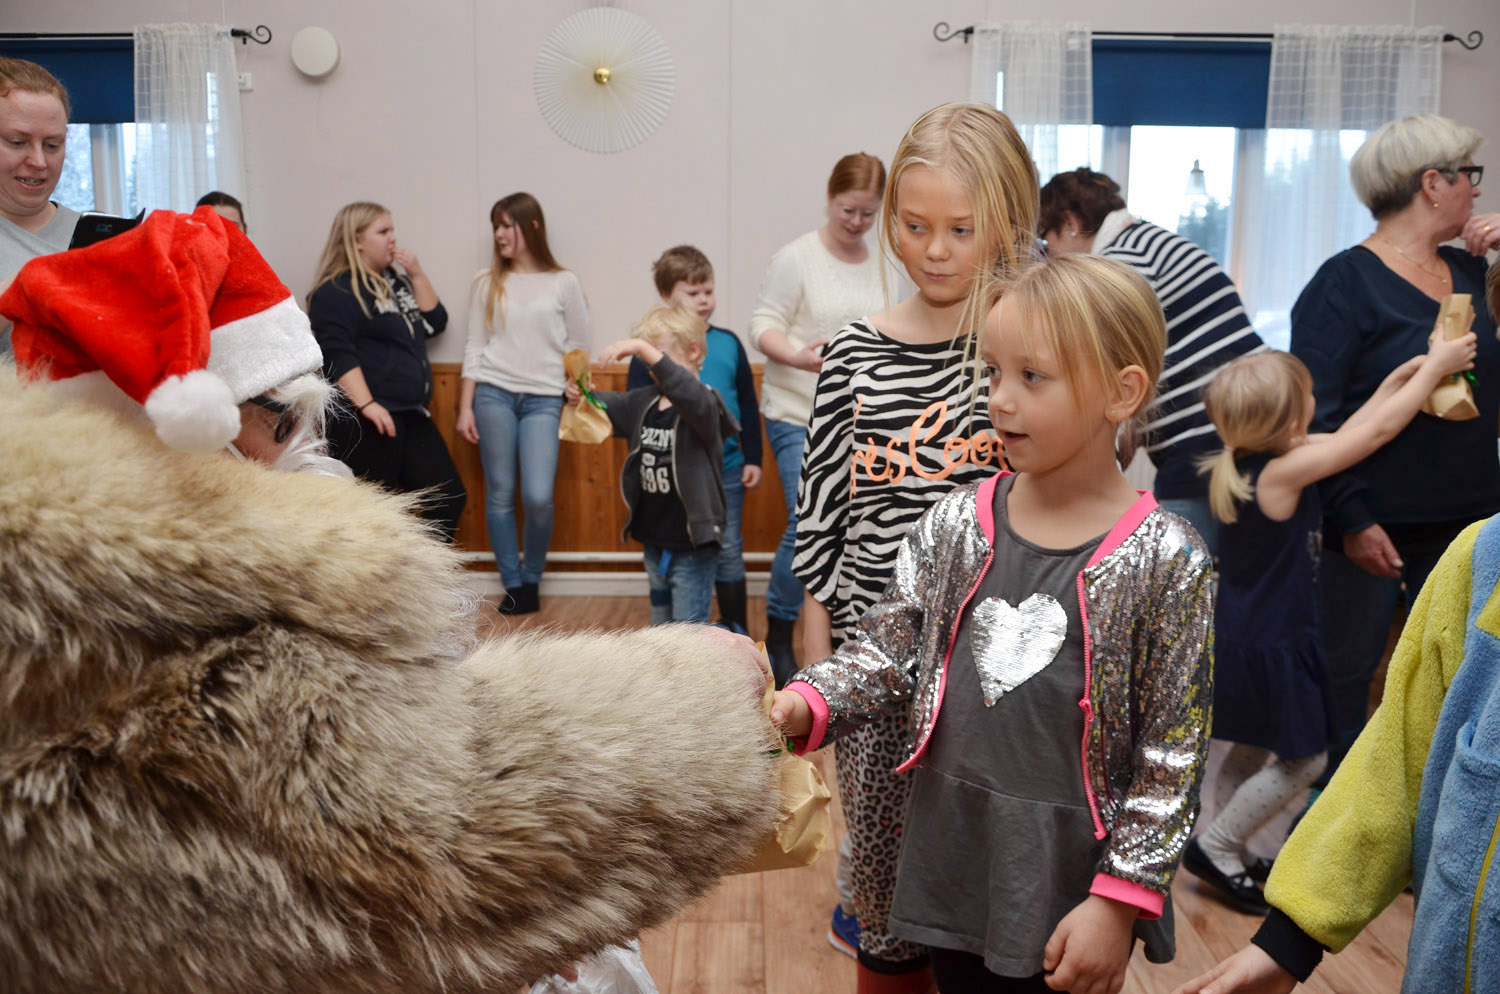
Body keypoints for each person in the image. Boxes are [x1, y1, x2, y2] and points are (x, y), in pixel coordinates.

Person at [0, 207, 785, 994]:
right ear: (202, 431)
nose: (309, 454)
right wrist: (694, 697)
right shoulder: (251, 620)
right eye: (286, 422)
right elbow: (441, 842)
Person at [771, 254, 1215, 994]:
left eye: (1031, 377)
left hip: (1072, 880)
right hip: (951, 854)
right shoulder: (955, 523)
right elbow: (887, 652)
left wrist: (1119, 900)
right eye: (992, 374)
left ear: (1121, 391)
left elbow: (1173, 752)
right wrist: (803, 703)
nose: (999, 401)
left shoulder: (1167, 558)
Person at [1171, 260, 1500, 994]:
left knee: (1254, 745)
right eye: (1310, 402)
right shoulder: (1287, 471)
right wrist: (1442, 365)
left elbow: (1360, 421)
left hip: (1243, 642)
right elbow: (1372, 434)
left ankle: (1215, 841)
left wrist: (1401, 376)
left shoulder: (1241, 463)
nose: (1319, 410)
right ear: (1289, 423)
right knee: (1305, 760)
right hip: (1274, 643)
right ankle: (1220, 845)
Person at [792, 102, 1031, 988]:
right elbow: (822, 520)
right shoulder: (853, 352)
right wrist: (820, 670)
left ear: (1008, 224)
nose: (935, 249)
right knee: (886, 910)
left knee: (989, 910)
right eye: (915, 224)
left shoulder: (1029, 351)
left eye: (962, 230)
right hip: (878, 679)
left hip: (1001, 677)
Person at [1289, 115, 1499, 792]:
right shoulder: (1342, 284)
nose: (1475, 189)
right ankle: (1329, 856)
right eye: (1468, 174)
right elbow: (1312, 419)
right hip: (1370, 530)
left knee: (1459, 688)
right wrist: (1352, 519)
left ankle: (1424, 841)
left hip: (1469, 525)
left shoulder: (1474, 271)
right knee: (1348, 692)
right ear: (1432, 184)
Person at [1040, 167, 1265, 553]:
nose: (1048, 253)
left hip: (1205, 441)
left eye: (1047, 238)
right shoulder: (1150, 242)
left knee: (1174, 570)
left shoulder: (1119, 261)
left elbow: (1096, 359)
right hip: (1245, 426)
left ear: (1071, 223)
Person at [748, 152, 888, 680]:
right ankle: (782, 624)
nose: (856, 223)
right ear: (830, 199)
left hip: (859, 416)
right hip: (794, 410)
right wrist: (799, 356)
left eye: (867, 214)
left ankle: (829, 625)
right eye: (848, 210)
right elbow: (761, 324)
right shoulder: (797, 258)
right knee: (803, 522)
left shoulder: (880, 263)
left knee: (844, 525)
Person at [456, 193, 590, 615]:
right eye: (496, 225)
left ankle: (532, 576)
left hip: (545, 399)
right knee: (499, 492)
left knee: (537, 496)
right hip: (492, 393)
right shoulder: (486, 282)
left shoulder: (563, 282)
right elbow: (474, 346)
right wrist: (464, 406)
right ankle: (513, 584)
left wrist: (578, 389)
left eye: (507, 225)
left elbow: (579, 345)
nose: (499, 234)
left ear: (532, 227)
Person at [307, 201, 466, 542]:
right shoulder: (334, 291)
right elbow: (336, 353)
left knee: (447, 497)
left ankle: (417, 582)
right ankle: (376, 590)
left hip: (409, 414)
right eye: (383, 231)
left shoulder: (394, 282)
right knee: (369, 516)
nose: (393, 239)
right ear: (356, 240)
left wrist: (417, 275)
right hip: (367, 419)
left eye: (393, 230)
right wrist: (367, 405)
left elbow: (435, 322)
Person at [627, 246, 763, 635]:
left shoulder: (729, 342)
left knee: (730, 551)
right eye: (694, 292)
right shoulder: (649, 355)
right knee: (686, 557)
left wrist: (753, 456)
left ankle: (737, 631)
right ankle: (681, 630)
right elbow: (638, 415)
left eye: (709, 290)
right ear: (669, 297)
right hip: (678, 479)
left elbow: (747, 405)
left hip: (729, 470)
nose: (704, 300)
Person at [578, 305, 737, 625]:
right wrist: (579, 396)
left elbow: (687, 392)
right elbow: (602, 407)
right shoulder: (645, 401)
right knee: (660, 629)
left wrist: (640, 348)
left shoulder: (706, 404)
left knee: (687, 636)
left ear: (693, 350)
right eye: (647, 357)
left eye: (656, 354)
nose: (650, 364)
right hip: (654, 542)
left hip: (692, 547)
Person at [0, 57, 79, 355]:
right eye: (18, 142)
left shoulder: (92, 233)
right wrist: (19, 289)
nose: (39, 162)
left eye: (52, 145)